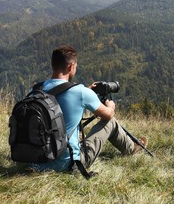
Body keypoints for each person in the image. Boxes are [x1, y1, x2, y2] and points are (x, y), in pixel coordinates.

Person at [30, 45, 147, 173]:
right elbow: (107, 115)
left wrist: (87, 91)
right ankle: (132, 148)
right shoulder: (80, 92)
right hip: (67, 164)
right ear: (70, 67)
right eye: (75, 66)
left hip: (35, 162)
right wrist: (110, 107)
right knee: (111, 122)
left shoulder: (36, 89)